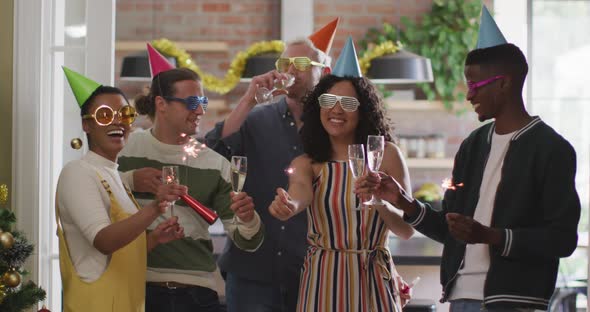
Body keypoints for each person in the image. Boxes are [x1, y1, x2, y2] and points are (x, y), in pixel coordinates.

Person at [355, 7, 581, 311]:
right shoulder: (473, 145)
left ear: (504, 83)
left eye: (474, 84)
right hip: (459, 296)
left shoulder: (551, 149)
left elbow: (562, 239)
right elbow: (450, 228)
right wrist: (404, 201)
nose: (468, 95)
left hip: (515, 301)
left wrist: (491, 236)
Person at [268, 36, 414, 312]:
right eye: (329, 100)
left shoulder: (387, 156)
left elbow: (406, 230)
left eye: (348, 103)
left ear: (364, 111)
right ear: (317, 107)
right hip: (322, 280)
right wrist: (289, 205)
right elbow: (300, 194)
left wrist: (379, 200)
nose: (336, 109)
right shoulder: (307, 163)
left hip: (373, 279)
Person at [118, 44, 264, 312]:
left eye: (203, 102)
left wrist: (248, 219)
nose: (200, 111)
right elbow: (96, 200)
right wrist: (128, 180)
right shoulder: (125, 152)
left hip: (198, 295)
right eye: (192, 103)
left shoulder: (215, 164)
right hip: (135, 289)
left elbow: (246, 240)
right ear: (161, 104)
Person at [205, 19, 338, 311]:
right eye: (285, 62)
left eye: (302, 62)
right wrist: (248, 100)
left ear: (324, 72)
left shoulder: (335, 128)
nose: (291, 69)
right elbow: (214, 152)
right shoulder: (254, 119)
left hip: (311, 271)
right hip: (252, 269)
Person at [56, 67, 186, 312]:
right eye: (105, 115)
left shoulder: (115, 176)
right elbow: (104, 241)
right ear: (86, 125)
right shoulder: (77, 173)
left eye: (124, 114)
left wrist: (154, 239)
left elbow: (116, 253)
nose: (117, 121)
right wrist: (156, 208)